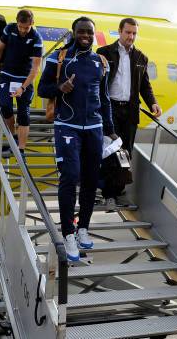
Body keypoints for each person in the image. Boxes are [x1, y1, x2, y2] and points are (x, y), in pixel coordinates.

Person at [38, 16, 117, 262]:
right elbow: (42, 89)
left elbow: (104, 99)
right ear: (73, 33)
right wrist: (59, 88)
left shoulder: (100, 62)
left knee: (91, 180)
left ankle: (83, 227)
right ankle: (68, 233)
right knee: (70, 177)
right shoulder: (59, 58)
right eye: (81, 32)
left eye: (89, 33)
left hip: (94, 127)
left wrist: (111, 131)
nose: (86, 36)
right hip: (67, 126)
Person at [96, 18, 161, 202]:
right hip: (110, 108)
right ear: (119, 31)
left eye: (134, 33)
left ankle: (119, 190)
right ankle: (109, 194)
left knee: (126, 151)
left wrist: (153, 103)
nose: (131, 36)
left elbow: (145, 86)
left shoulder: (141, 57)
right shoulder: (104, 52)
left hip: (130, 111)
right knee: (111, 150)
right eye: (127, 32)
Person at [0, 9, 43, 160]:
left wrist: (23, 87)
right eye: (21, 27)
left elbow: (36, 68)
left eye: (26, 27)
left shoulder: (36, 38)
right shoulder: (9, 28)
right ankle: (13, 139)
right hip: (7, 74)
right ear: (17, 22)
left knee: (23, 112)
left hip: (24, 78)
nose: (23, 30)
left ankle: (21, 150)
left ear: (32, 23)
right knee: (5, 106)